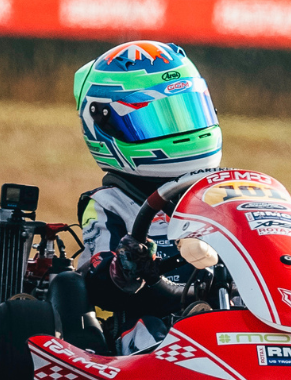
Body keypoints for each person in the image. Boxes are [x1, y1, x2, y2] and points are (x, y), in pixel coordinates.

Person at [67, 40, 223, 352]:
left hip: (225, 326)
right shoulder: (110, 204)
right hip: (151, 335)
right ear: (106, 127)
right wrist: (125, 266)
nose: (185, 130)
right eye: (158, 119)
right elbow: (94, 281)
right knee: (151, 331)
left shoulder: (221, 197)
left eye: (188, 112)